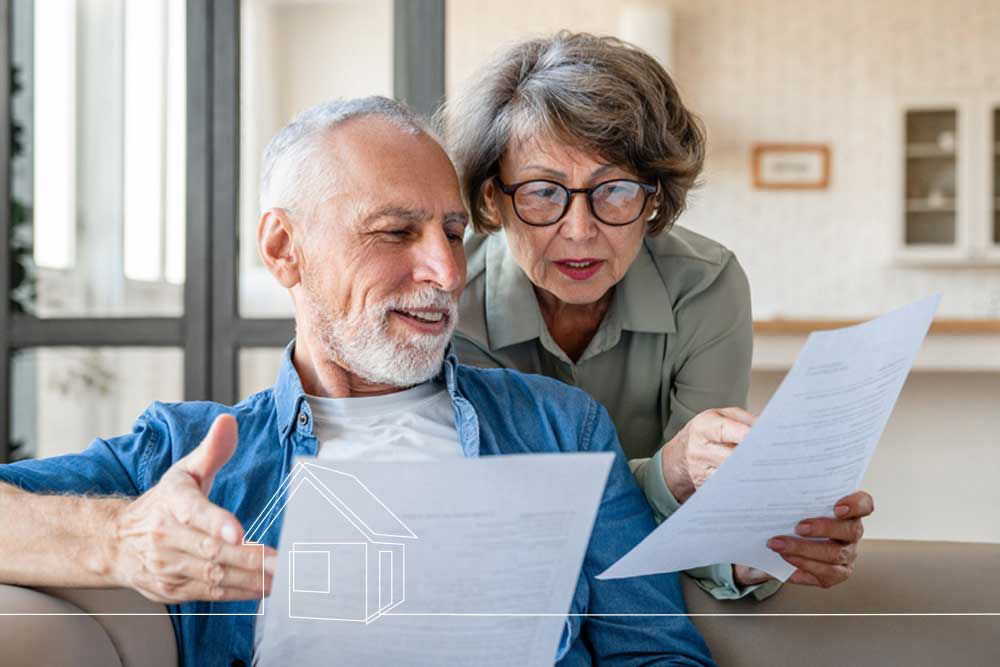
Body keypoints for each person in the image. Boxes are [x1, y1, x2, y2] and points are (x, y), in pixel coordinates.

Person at [0, 97, 716, 666]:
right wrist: (123, 539)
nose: (446, 272)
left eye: (453, 231)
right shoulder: (190, 453)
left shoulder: (564, 429)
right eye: (396, 232)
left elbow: (656, 652)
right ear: (285, 250)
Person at [441, 31, 873, 599]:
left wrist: (751, 553)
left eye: (615, 190)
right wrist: (668, 475)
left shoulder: (706, 285)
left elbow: (707, 516)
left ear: (655, 200)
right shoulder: (448, 299)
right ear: (493, 199)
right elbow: (502, 520)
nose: (579, 230)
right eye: (544, 192)